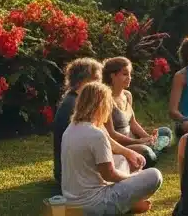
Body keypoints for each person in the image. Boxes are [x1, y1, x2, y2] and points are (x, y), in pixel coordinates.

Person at [61, 82, 163, 215]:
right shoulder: (95, 134)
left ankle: (130, 203)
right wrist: (133, 177)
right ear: (101, 105)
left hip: (70, 201)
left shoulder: (71, 128)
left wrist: (129, 153)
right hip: (95, 204)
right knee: (155, 175)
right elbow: (109, 175)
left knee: (121, 159)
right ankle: (129, 205)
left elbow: (108, 148)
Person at [54, 57, 147, 187]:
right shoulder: (76, 105)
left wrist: (128, 152)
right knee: (143, 165)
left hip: (73, 170)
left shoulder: (79, 100)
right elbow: (103, 140)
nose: (101, 83)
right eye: (97, 79)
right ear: (84, 81)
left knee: (126, 158)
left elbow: (104, 136)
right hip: (73, 176)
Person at [102, 57, 174, 169]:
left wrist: (149, 138)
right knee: (146, 152)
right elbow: (111, 134)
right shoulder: (105, 100)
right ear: (113, 75)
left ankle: (153, 150)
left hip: (135, 140)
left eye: (130, 74)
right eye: (125, 74)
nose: (129, 78)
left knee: (166, 132)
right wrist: (138, 141)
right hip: (122, 145)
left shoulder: (127, 95)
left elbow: (133, 123)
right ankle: (152, 153)